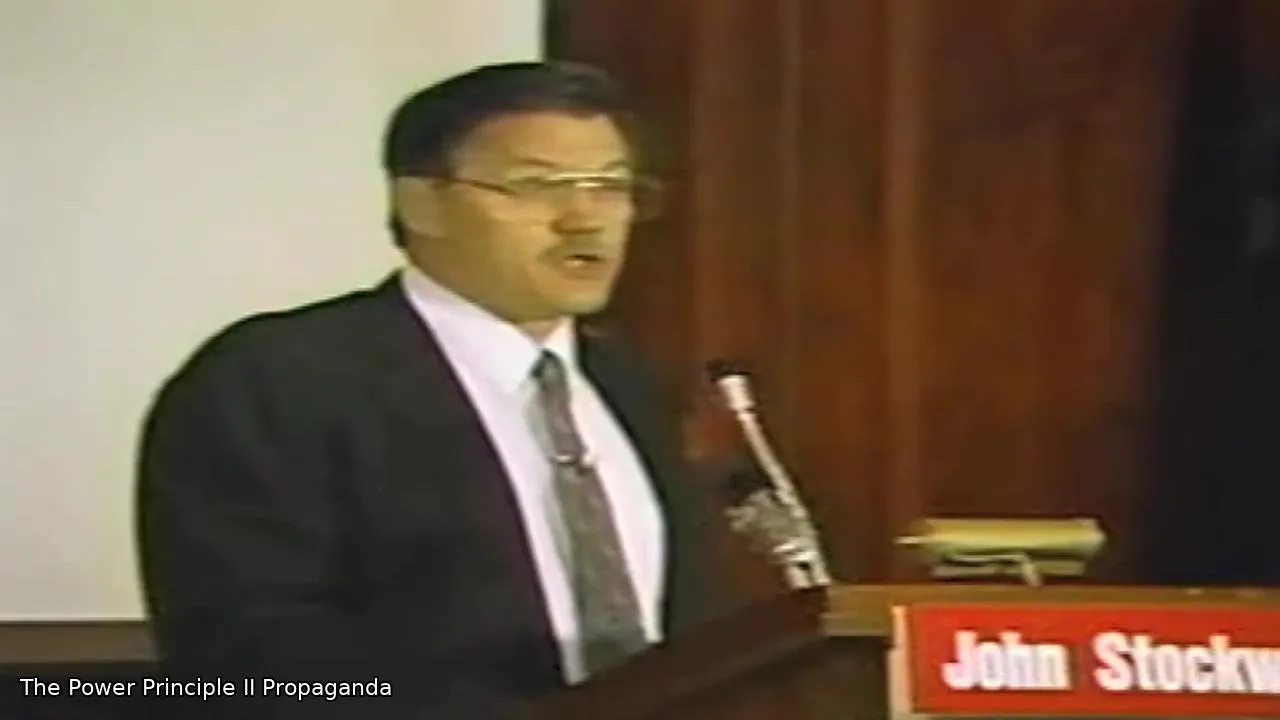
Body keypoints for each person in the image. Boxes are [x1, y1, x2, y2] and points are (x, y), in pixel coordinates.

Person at [134, 61, 725, 719]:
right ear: (421, 204)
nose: (585, 220)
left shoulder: (630, 386)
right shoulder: (277, 380)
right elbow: (253, 649)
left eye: (610, 186)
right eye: (536, 185)